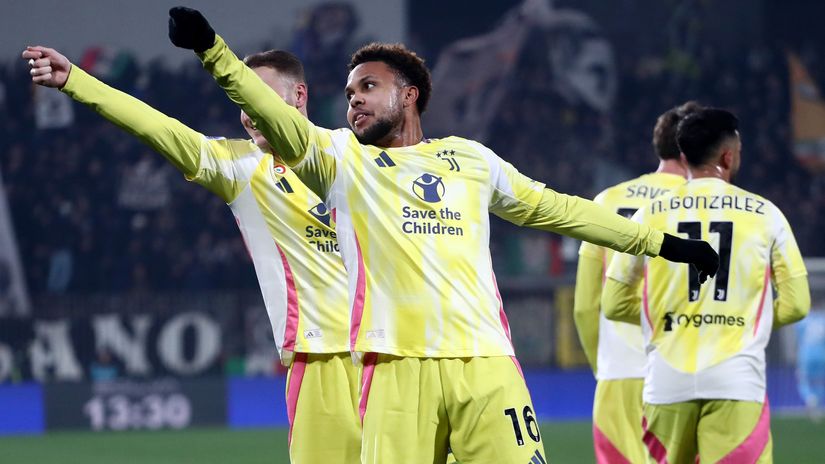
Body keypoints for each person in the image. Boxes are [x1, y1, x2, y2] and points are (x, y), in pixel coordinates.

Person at [166, 7, 719, 463]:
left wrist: (663, 243)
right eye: (349, 91)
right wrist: (213, 52)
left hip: (487, 365)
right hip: (393, 370)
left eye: (368, 86)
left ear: (408, 95)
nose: (353, 98)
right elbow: (275, 116)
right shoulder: (340, 161)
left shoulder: (470, 159)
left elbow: (559, 210)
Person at [23, 45, 360, 463]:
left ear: (299, 95)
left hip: (396, 351)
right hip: (323, 357)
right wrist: (77, 81)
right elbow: (157, 127)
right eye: (242, 101)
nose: (249, 112)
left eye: (259, 97)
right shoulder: (241, 167)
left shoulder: (352, 153)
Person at [603, 108, 810, 463]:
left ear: (683, 158)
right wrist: (741, 320)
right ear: (729, 156)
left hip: (666, 382)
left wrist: (672, 317)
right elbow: (796, 305)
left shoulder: (649, 214)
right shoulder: (766, 215)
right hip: (736, 379)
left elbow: (613, 304)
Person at [573, 101, 700, 463]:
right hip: (686, 373)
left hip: (620, 374)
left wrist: (605, 369)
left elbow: (585, 306)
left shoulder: (606, 200)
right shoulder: (705, 205)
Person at [796, 306, 825, 422]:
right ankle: (818, 404)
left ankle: (810, 399)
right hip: (822, 354)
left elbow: (798, 337)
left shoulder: (803, 319)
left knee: (803, 380)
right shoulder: (823, 318)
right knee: (820, 380)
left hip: (806, 355)